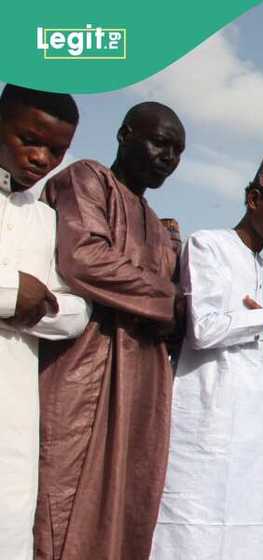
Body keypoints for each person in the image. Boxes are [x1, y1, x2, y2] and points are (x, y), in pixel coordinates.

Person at [36, 102, 185, 560]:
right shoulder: (87, 179)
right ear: (124, 135)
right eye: (160, 143)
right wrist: (170, 301)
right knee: (63, 493)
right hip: (85, 367)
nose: (168, 158)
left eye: (178, 152)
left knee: (129, 498)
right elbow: (84, 257)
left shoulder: (158, 225)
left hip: (142, 379)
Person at [152, 157, 263, 559]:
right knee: (190, 531)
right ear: (253, 199)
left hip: (249, 429)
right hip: (205, 416)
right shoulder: (209, 245)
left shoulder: (262, 265)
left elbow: (246, 335)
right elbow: (204, 329)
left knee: (245, 531)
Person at [0, 85, 89, 560]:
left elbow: (75, 313)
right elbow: (23, 294)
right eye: (29, 140)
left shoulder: (45, 220)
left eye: (56, 150)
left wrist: (34, 304)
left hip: (14, 411)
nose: (41, 158)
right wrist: (13, 293)